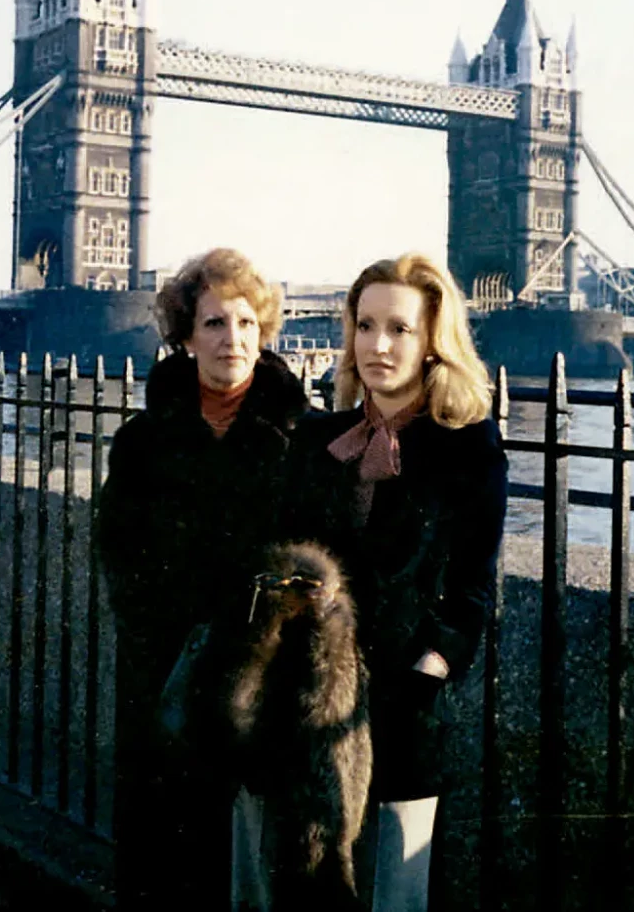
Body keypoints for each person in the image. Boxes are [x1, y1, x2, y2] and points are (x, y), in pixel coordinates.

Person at [285, 254, 508, 912]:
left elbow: (472, 593)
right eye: (365, 324)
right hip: (311, 701)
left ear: (433, 341)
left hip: (406, 708)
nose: (379, 345)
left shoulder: (468, 449)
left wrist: (430, 669)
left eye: (400, 329)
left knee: (398, 896)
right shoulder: (318, 439)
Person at [95, 247, 308, 910]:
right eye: (214, 323)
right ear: (186, 336)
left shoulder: (303, 439)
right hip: (164, 670)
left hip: (259, 679)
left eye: (247, 323)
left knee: (245, 869)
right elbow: (119, 554)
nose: (232, 339)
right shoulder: (140, 441)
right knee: (161, 864)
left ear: (264, 332)